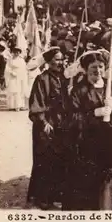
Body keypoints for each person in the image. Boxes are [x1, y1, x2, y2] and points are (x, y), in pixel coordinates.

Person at [64, 51, 112, 210]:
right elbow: (71, 118)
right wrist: (94, 113)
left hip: (111, 141)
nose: (98, 71)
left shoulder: (110, 86)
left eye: (101, 67)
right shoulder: (79, 90)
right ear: (86, 69)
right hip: (89, 145)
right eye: (93, 67)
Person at [27, 47, 68, 210]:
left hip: (62, 123)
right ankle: (41, 197)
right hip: (46, 124)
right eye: (57, 59)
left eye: (62, 59)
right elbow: (37, 103)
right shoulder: (42, 79)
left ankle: (56, 194)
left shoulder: (65, 78)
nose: (60, 62)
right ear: (49, 61)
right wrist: (44, 122)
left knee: (60, 159)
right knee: (45, 160)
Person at [5, 47, 29, 111]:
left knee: (19, 91)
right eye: (15, 52)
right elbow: (7, 68)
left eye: (18, 52)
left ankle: (18, 106)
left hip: (19, 77)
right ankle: (12, 106)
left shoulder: (21, 60)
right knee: (12, 90)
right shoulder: (10, 60)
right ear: (13, 52)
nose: (16, 53)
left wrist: (22, 76)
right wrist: (11, 72)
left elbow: (24, 69)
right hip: (12, 76)